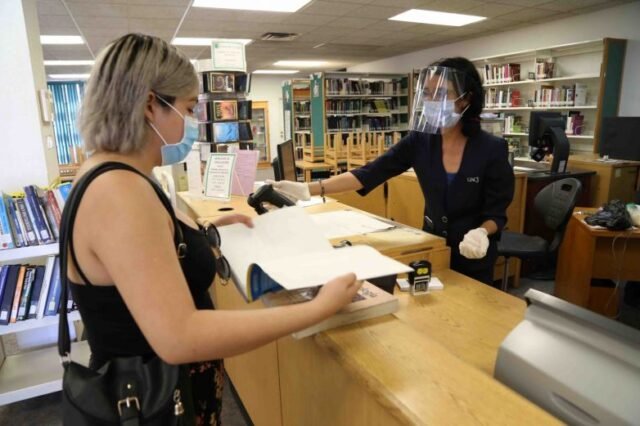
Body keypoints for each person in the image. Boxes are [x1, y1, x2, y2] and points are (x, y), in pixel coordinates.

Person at [67, 33, 361, 425]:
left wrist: (199, 232)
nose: (193, 123)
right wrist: (316, 309)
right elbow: (180, 335)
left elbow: (137, 261)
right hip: (156, 403)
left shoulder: (108, 173)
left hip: (158, 393)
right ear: (151, 105)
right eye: (189, 109)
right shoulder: (119, 191)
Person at [270, 57, 515, 285]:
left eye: (441, 94)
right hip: (433, 249)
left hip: (474, 255)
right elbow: (369, 173)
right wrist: (308, 188)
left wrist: (482, 232)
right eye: (427, 94)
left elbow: (496, 212)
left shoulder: (491, 149)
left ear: (465, 99)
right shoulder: (420, 141)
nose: (431, 101)